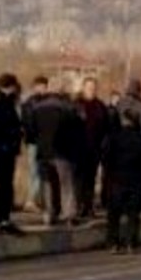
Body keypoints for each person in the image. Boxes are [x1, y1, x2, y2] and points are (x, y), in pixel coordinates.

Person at [102, 109, 141, 254]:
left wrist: (109, 174)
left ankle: (113, 243)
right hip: (135, 181)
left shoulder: (114, 138)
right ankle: (131, 243)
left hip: (117, 180)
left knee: (114, 215)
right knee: (133, 214)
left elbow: (106, 158)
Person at [33, 82, 82, 227]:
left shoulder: (37, 108)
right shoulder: (67, 108)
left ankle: (49, 214)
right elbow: (75, 131)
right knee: (66, 185)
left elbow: (31, 130)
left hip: (43, 152)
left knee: (48, 184)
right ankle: (69, 215)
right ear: (61, 93)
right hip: (62, 152)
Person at [0, 74, 26, 236]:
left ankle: (3, 218)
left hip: (5, 148)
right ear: (11, 86)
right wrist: (15, 133)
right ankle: (0, 220)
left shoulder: (3, 101)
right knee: (4, 185)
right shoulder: (1, 102)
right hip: (3, 149)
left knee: (5, 184)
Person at [74, 78, 112, 218]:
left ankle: (88, 206)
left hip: (95, 148)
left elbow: (107, 127)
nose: (91, 90)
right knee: (79, 179)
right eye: (89, 87)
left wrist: (103, 144)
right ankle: (78, 206)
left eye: (94, 87)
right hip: (79, 148)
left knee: (90, 178)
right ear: (83, 88)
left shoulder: (100, 106)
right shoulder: (77, 104)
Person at [20, 76, 49, 212]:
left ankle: (36, 199)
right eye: (41, 86)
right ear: (35, 86)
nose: (43, 89)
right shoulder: (30, 103)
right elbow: (28, 124)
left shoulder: (34, 102)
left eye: (45, 86)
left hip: (38, 141)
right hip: (34, 141)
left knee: (40, 172)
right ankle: (31, 200)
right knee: (35, 172)